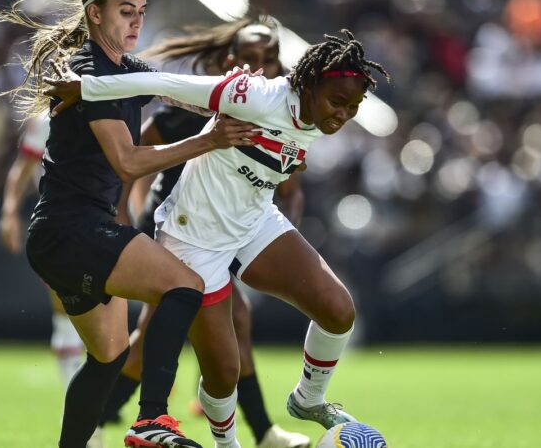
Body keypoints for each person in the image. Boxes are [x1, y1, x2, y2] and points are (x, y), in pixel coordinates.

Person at [46, 28, 390, 448]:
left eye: (354, 107)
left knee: (338, 310)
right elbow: (163, 84)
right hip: (194, 238)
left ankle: (309, 399)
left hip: (254, 219)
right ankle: (226, 443)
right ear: (310, 83)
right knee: (224, 375)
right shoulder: (253, 95)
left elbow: (284, 158)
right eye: (338, 102)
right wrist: (88, 87)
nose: (343, 114)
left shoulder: (319, 117)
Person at [0, 0, 260, 447]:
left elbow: (178, 93)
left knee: (108, 358)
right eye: (125, 10)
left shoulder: (124, 68)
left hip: (61, 236)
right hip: (73, 230)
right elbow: (129, 162)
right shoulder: (91, 69)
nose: (137, 20)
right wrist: (209, 139)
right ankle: (152, 418)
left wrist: (241, 93)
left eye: (142, 10)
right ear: (95, 13)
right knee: (184, 286)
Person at [97, 17, 310, 448]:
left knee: (236, 322)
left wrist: (284, 234)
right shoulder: (189, 108)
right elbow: (133, 158)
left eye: (269, 59)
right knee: (152, 339)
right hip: (175, 226)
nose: (260, 67)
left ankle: (260, 431)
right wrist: (122, 213)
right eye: (250, 58)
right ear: (230, 61)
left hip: (228, 230)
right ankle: (98, 420)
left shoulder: (280, 112)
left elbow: (290, 187)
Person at [0, 114, 102, 448]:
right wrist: (9, 211)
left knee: (101, 322)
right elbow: (23, 167)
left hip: (105, 219)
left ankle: (94, 411)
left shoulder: (113, 102)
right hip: (62, 223)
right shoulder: (46, 119)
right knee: (67, 314)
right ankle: (85, 418)